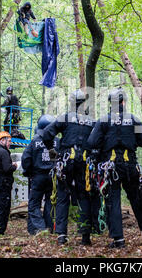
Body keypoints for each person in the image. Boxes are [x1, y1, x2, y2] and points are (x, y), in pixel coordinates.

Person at [87, 88, 142, 248]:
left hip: (111, 168)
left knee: (113, 202)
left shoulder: (104, 121)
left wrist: (105, 142)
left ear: (111, 103)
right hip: (130, 166)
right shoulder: (133, 119)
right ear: (123, 102)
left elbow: (92, 142)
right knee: (138, 201)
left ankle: (119, 240)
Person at [42, 89, 97, 246]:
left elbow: (46, 134)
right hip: (85, 163)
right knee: (84, 197)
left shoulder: (64, 118)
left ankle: (62, 235)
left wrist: (52, 151)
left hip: (66, 162)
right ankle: (85, 236)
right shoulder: (91, 121)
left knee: (62, 196)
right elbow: (98, 140)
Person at [21, 114, 59, 235]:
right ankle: (48, 227)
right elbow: (57, 159)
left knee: (34, 204)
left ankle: (40, 228)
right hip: (52, 176)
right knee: (49, 202)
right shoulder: (57, 142)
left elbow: (26, 159)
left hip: (38, 176)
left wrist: (28, 172)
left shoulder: (35, 141)